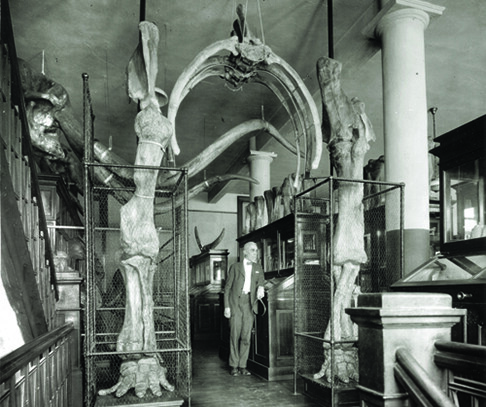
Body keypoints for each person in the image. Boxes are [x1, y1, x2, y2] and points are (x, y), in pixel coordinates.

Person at [224, 241, 265, 376]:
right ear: (245, 252)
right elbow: (228, 288)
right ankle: (233, 365)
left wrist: (261, 288)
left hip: (250, 304)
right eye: (252, 250)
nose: (255, 253)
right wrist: (227, 307)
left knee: (246, 336)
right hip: (236, 303)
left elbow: (261, 281)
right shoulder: (235, 267)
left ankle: (243, 366)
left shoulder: (258, 267)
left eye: (256, 250)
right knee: (234, 335)